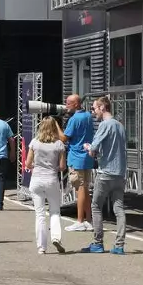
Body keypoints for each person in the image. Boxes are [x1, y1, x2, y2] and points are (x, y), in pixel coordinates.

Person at [82, 96, 127, 255]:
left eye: (94, 109)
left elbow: (93, 149)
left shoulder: (104, 125)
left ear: (102, 107)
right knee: (119, 208)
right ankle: (119, 245)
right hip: (120, 173)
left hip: (105, 172)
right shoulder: (120, 126)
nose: (93, 112)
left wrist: (88, 147)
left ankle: (97, 243)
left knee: (96, 206)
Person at [24, 116, 67, 254]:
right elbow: (62, 166)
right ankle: (56, 237)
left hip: (36, 179)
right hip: (51, 180)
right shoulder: (59, 144)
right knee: (54, 211)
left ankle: (41, 247)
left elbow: (28, 163)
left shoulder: (34, 142)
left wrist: (36, 165)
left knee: (40, 214)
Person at [59, 94, 94, 232]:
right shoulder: (88, 116)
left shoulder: (74, 119)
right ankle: (89, 220)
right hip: (87, 157)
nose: (66, 105)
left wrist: (55, 125)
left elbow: (64, 138)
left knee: (80, 189)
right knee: (84, 188)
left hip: (76, 157)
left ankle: (80, 220)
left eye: (68, 103)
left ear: (76, 104)